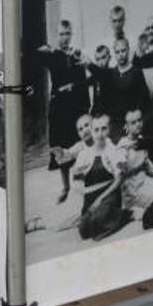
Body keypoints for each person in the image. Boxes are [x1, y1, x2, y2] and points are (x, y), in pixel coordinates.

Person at [36, 20, 92, 203]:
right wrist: (43, 49)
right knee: (61, 148)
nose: (64, 38)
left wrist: (79, 96)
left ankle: (79, 183)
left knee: (76, 147)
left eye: (67, 33)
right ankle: (65, 186)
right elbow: (33, 55)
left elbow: (84, 82)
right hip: (59, 109)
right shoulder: (53, 55)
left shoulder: (77, 56)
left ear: (72, 34)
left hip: (75, 108)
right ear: (56, 35)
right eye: (61, 34)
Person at [69, 115, 129, 240]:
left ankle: (125, 215)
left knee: (98, 223)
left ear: (109, 130)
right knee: (83, 231)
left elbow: (120, 178)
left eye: (104, 129)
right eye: (96, 130)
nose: (100, 134)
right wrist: (82, 186)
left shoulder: (114, 150)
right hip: (91, 197)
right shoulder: (85, 154)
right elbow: (76, 180)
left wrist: (100, 199)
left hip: (110, 195)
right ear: (91, 131)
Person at [115, 108, 153, 217]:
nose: (138, 124)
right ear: (126, 126)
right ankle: (132, 211)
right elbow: (120, 176)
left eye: (139, 120)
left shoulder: (140, 140)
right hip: (133, 191)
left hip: (145, 182)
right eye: (133, 123)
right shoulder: (122, 147)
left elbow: (148, 164)